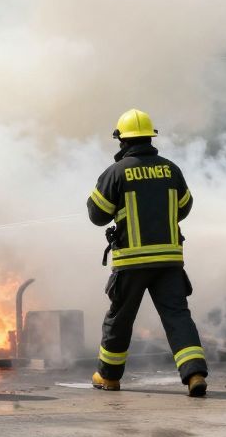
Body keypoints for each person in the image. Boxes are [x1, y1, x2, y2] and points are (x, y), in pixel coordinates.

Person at [86, 108, 208, 398]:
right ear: (150, 138)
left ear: (122, 140)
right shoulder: (171, 169)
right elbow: (184, 207)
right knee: (178, 316)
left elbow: (97, 214)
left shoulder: (116, 172)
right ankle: (194, 374)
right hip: (169, 260)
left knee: (120, 319)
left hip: (132, 262)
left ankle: (109, 377)